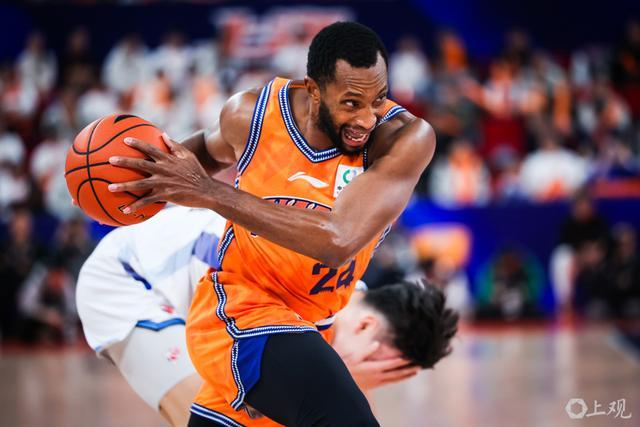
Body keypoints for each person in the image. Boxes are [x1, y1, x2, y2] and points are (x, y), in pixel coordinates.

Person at [107, 22, 438, 426]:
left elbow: (338, 240)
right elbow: (193, 158)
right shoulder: (252, 116)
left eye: (379, 99)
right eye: (351, 103)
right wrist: (118, 179)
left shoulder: (405, 138)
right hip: (238, 310)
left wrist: (208, 192)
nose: (367, 119)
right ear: (314, 90)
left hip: (311, 325)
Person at [77, 206, 457, 426]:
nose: (370, 380)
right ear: (366, 325)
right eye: (379, 367)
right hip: (128, 279)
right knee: (216, 413)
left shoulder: (345, 303)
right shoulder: (296, 287)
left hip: (190, 288)